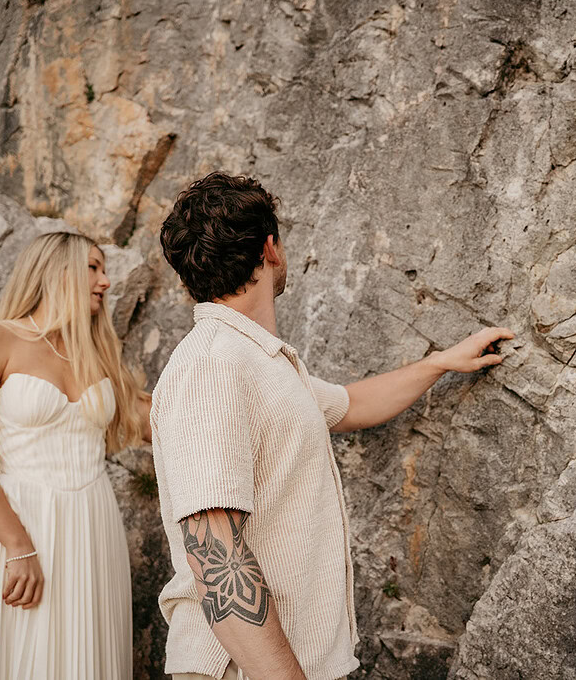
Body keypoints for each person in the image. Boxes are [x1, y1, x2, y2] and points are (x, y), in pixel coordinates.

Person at [151, 172, 513, 680]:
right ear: (270, 249)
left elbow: (349, 404)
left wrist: (440, 363)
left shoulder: (261, 362)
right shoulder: (212, 366)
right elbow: (216, 557)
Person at [0, 232, 152, 679]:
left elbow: (153, 420)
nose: (106, 282)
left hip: (92, 526)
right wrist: (18, 546)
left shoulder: (97, 355)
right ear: (57, 271)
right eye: (93, 268)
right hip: (19, 524)